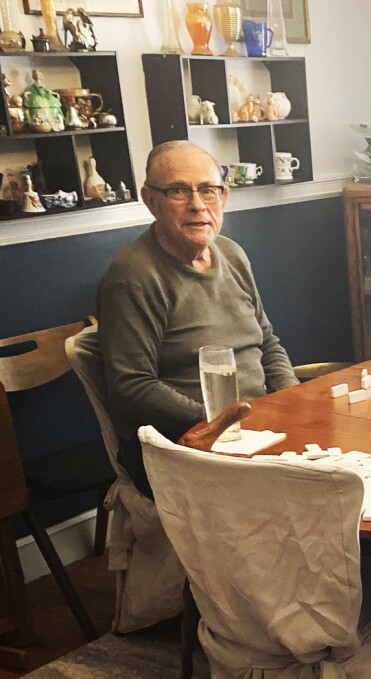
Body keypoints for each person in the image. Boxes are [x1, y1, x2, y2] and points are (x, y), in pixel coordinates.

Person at [97, 140, 299, 497]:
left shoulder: (232, 254)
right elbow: (132, 387)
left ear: (224, 196)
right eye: (178, 191)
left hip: (258, 428)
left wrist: (292, 403)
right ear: (150, 200)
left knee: (352, 482)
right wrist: (226, 424)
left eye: (208, 190)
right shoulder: (132, 276)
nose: (197, 205)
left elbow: (267, 342)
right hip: (186, 444)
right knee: (313, 497)